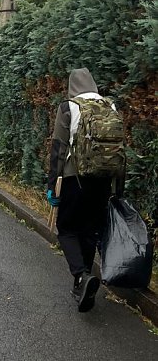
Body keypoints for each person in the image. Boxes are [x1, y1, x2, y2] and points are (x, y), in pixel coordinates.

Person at [47, 67, 120, 312]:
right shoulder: (110, 107)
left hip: (73, 179)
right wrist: (117, 188)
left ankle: (81, 275)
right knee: (89, 231)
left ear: (72, 85)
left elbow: (58, 149)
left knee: (66, 229)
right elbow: (118, 151)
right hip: (102, 181)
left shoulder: (68, 107)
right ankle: (84, 280)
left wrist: (51, 186)